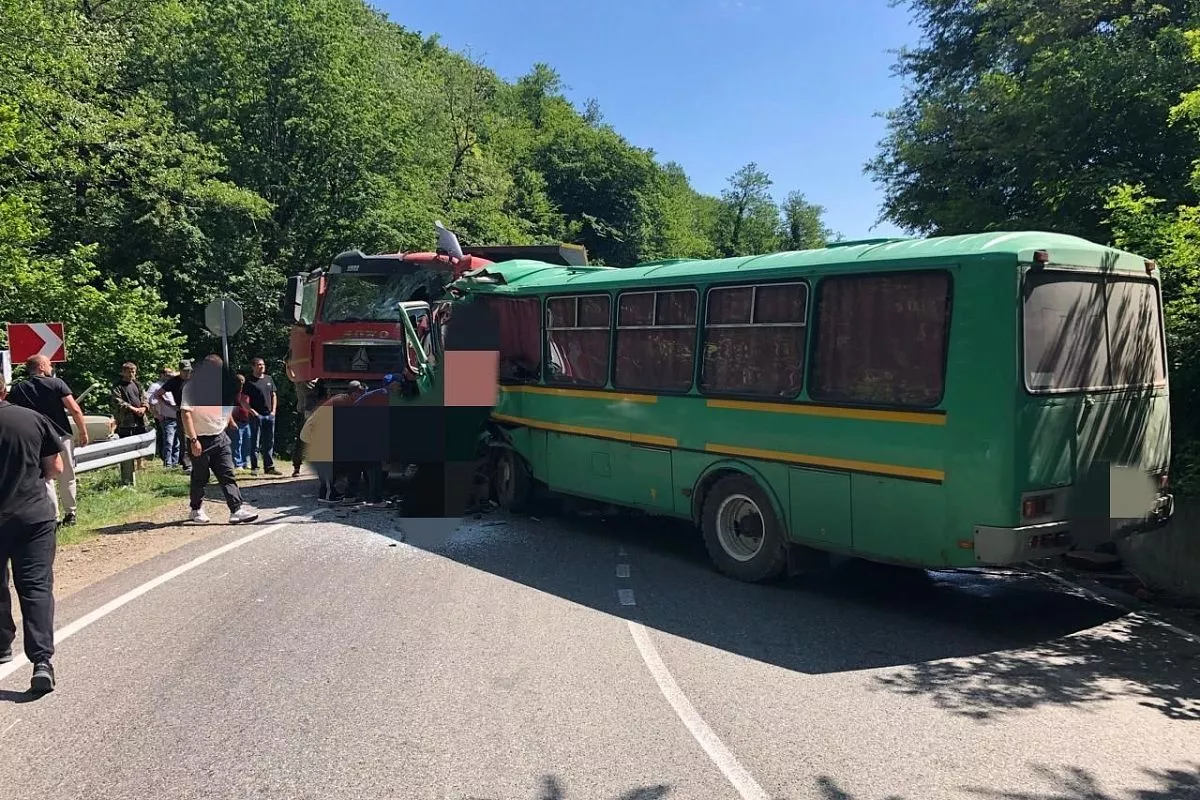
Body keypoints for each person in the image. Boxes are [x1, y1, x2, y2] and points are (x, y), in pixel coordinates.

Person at [0, 377, 65, 693]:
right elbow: (55, 467)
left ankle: (1, 645)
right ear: (4, 390)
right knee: (36, 586)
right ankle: (41, 661)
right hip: (33, 516)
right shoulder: (32, 419)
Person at [7, 355, 87, 527]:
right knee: (67, 475)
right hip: (60, 434)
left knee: (46, 477)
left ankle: (54, 517)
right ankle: (70, 514)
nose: (51, 367)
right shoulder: (57, 384)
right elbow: (74, 409)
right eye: (49, 364)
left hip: (36, 438)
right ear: (42, 366)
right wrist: (83, 432)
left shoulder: (18, 388)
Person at [180, 355, 258, 524]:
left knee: (227, 474)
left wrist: (229, 420)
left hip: (220, 437)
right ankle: (196, 509)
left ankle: (236, 509)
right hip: (200, 438)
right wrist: (194, 441)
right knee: (201, 476)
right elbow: (186, 413)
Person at [153, 360, 192, 472]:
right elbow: (158, 394)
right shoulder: (174, 382)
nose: (187, 373)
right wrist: (171, 406)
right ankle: (187, 465)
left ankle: (200, 463)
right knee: (184, 439)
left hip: (196, 412)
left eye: (189, 370)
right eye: (184, 371)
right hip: (182, 413)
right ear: (180, 371)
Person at [243, 357, 280, 476]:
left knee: (269, 441)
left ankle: (269, 467)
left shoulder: (269, 379)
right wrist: (252, 411)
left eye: (263, 364)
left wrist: (273, 411)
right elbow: (243, 400)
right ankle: (255, 467)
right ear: (253, 367)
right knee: (255, 442)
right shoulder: (249, 381)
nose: (262, 366)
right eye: (259, 365)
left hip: (269, 415)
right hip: (256, 416)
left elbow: (273, 395)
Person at [230, 373, 253, 471]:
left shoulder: (246, 393)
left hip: (247, 421)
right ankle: (237, 463)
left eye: (242, 381)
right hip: (236, 420)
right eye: (239, 381)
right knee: (236, 443)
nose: (241, 383)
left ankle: (245, 462)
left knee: (247, 442)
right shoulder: (231, 394)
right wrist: (231, 421)